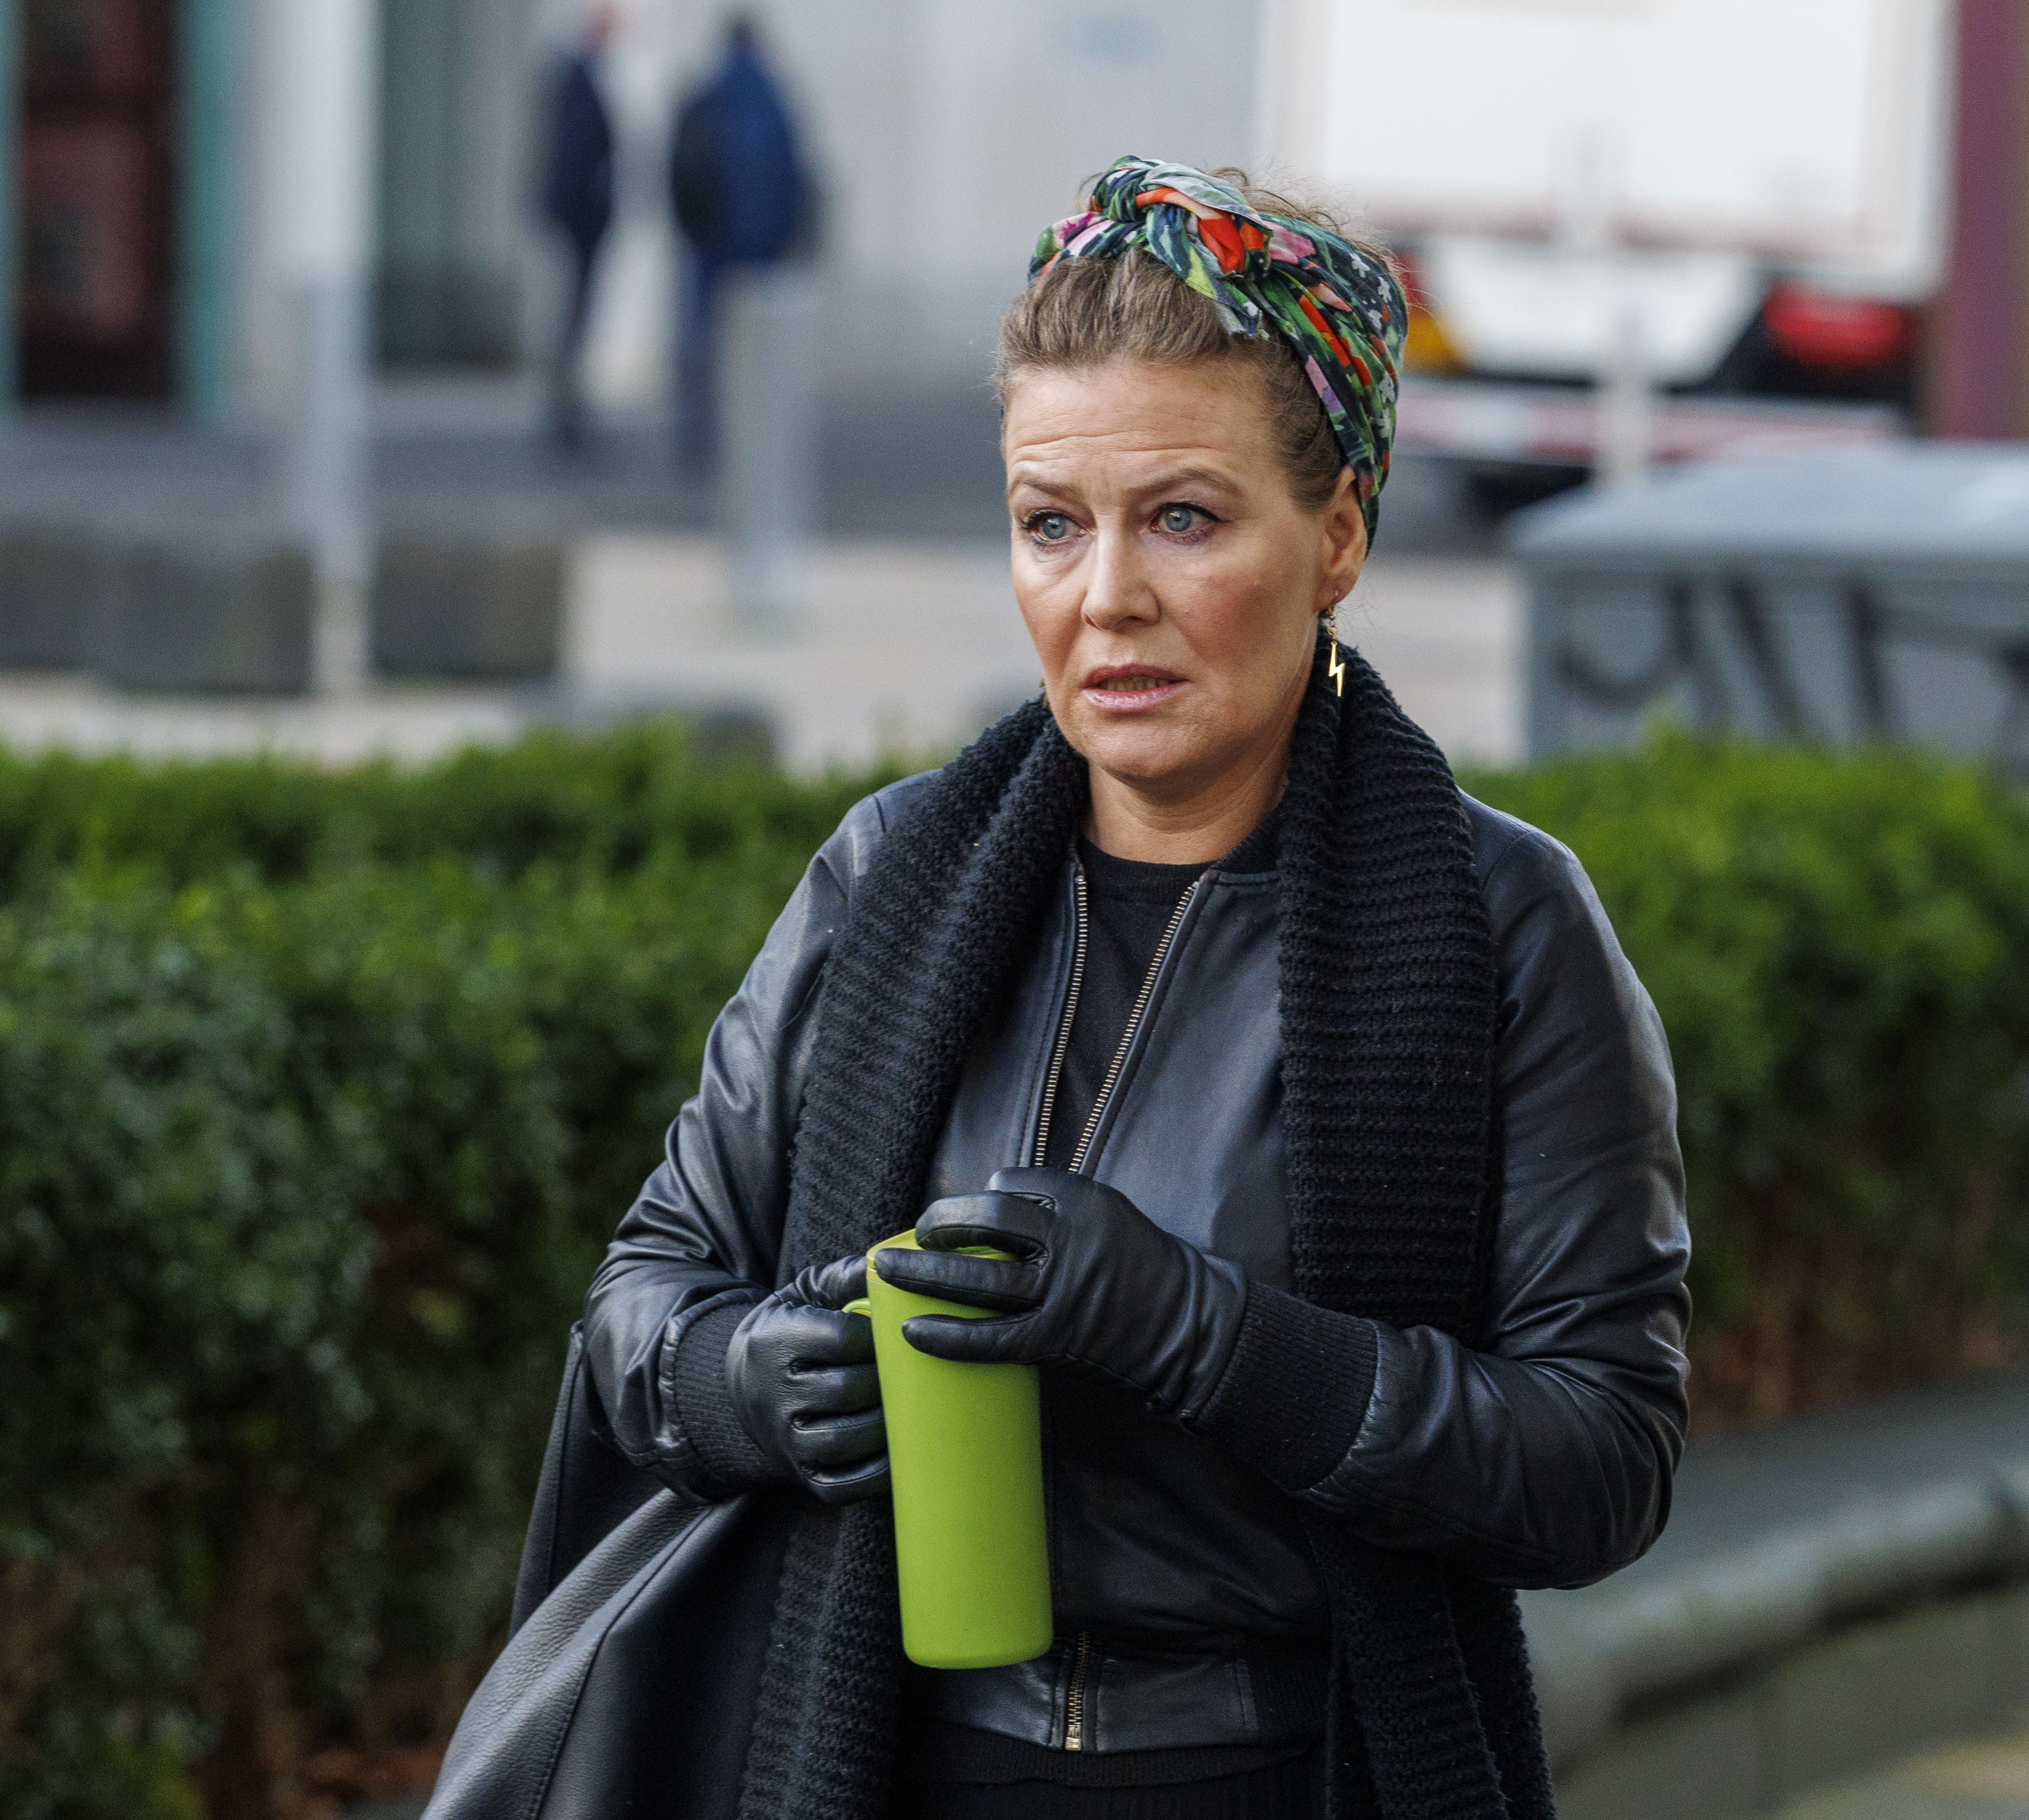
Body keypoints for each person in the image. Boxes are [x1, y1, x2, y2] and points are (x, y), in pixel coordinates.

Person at [584, 158, 1690, 1818]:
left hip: (1289, 1772)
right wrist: (743, 1380)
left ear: (1335, 537)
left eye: (1183, 516)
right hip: (876, 1761)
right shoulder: (891, 873)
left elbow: (1601, 1461)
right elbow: (646, 1294)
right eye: (1051, 522)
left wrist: (1209, 1334)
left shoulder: (1504, 920)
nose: (1106, 598)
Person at [666, 14, 809, 471]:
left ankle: (700, 441)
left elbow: (680, 171)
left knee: (702, 346)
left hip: (710, 248)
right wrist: (784, 240)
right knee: (759, 352)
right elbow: (795, 177)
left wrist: (691, 231)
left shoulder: (705, 96)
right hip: (763, 253)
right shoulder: (775, 99)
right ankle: (755, 444)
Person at [536, 6, 619, 453]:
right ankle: (565, 415)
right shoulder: (577, 82)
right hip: (580, 224)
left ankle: (568, 411)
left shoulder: (581, 80)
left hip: (582, 222)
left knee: (575, 321)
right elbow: (571, 157)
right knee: (572, 321)